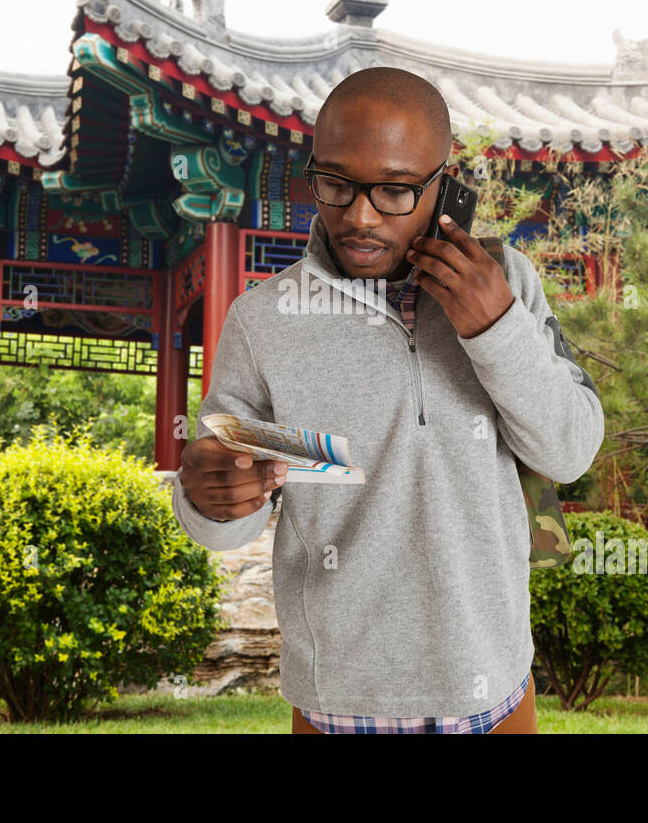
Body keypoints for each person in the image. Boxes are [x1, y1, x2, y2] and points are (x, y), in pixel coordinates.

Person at [172, 66, 605, 733]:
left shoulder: (506, 284)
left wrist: (495, 329)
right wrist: (205, 494)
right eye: (336, 183)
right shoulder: (265, 321)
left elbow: (570, 451)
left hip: (495, 689)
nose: (361, 216)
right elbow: (229, 509)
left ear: (442, 183)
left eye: (397, 191)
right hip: (338, 705)